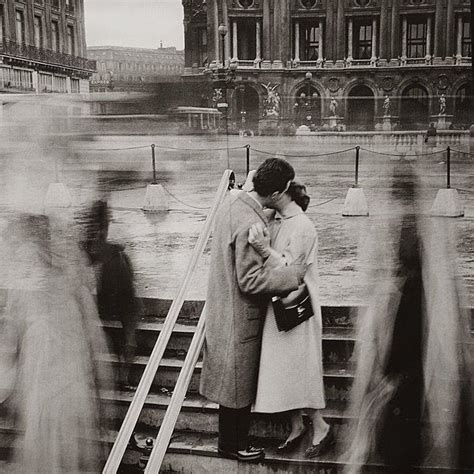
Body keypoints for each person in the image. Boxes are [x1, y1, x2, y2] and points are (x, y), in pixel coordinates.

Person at [200, 158, 307, 462]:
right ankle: (234, 445)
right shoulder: (252, 223)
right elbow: (250, 280)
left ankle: (230, 442)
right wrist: (292, 276)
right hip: (241, 314)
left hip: (223, 307)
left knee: (231, 385)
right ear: (277, 193)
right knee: (238, 386)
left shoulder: (233, 205)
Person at [0, 213, 111, 473]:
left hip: (62, 391)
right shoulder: (31, 293)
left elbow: (95, 342)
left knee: (57, 454)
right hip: (49, 391)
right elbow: (10, 343)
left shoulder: (59, 288)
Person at [248, 182, 333, 458]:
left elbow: (291, 270)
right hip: (279, 306)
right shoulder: (280, 221)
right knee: (285, 369)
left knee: (302, 368)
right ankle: (296, 426)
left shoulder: (303, 226)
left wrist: (262, 249)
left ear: (279, 194)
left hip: (299, 309)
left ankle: (320, 426)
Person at [81, 199, 138, 389]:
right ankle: (123, 375)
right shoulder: (97, 239)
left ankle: (121, 373)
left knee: (130, 307)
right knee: (130, 312)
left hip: (110, 296)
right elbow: (97, 253)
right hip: (110, 300)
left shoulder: (93, 238)